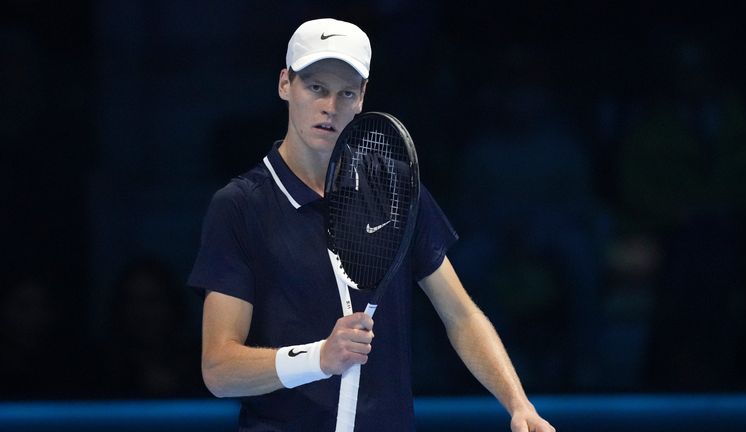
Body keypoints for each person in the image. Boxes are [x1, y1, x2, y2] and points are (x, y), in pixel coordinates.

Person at [188, 18, 554, 432]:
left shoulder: (394, 186)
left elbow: (461, 315)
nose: (331, 106)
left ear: (362, 97)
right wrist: (318, 357)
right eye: (316, 88)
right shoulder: (238, 206)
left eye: (346, 92)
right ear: (285, 84)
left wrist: (518, 404)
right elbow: (218, 369)